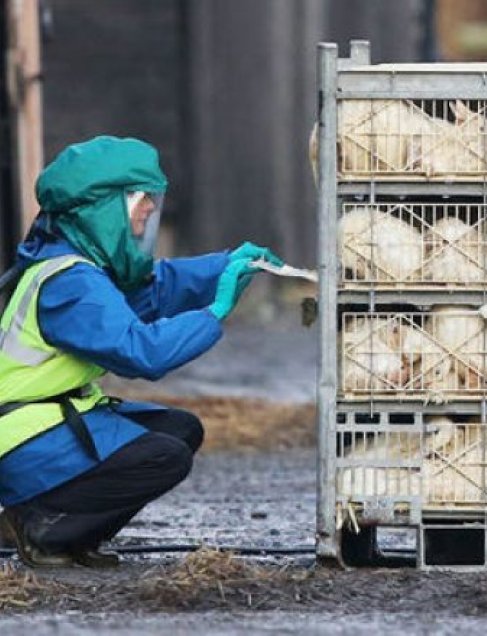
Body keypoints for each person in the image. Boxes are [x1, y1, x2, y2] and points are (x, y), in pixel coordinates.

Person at [0, 136, 283, 568]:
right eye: (140, 199)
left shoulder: (78, 266)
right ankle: (44, 528)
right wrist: (214, 313)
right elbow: (142, 353)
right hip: (20, 440)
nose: (151, 209)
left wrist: (224, 267)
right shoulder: (71, 282)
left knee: (178, 430)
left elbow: (152, 291)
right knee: (162, 456)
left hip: (42, 425)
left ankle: (66, 531)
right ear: (103, 208)